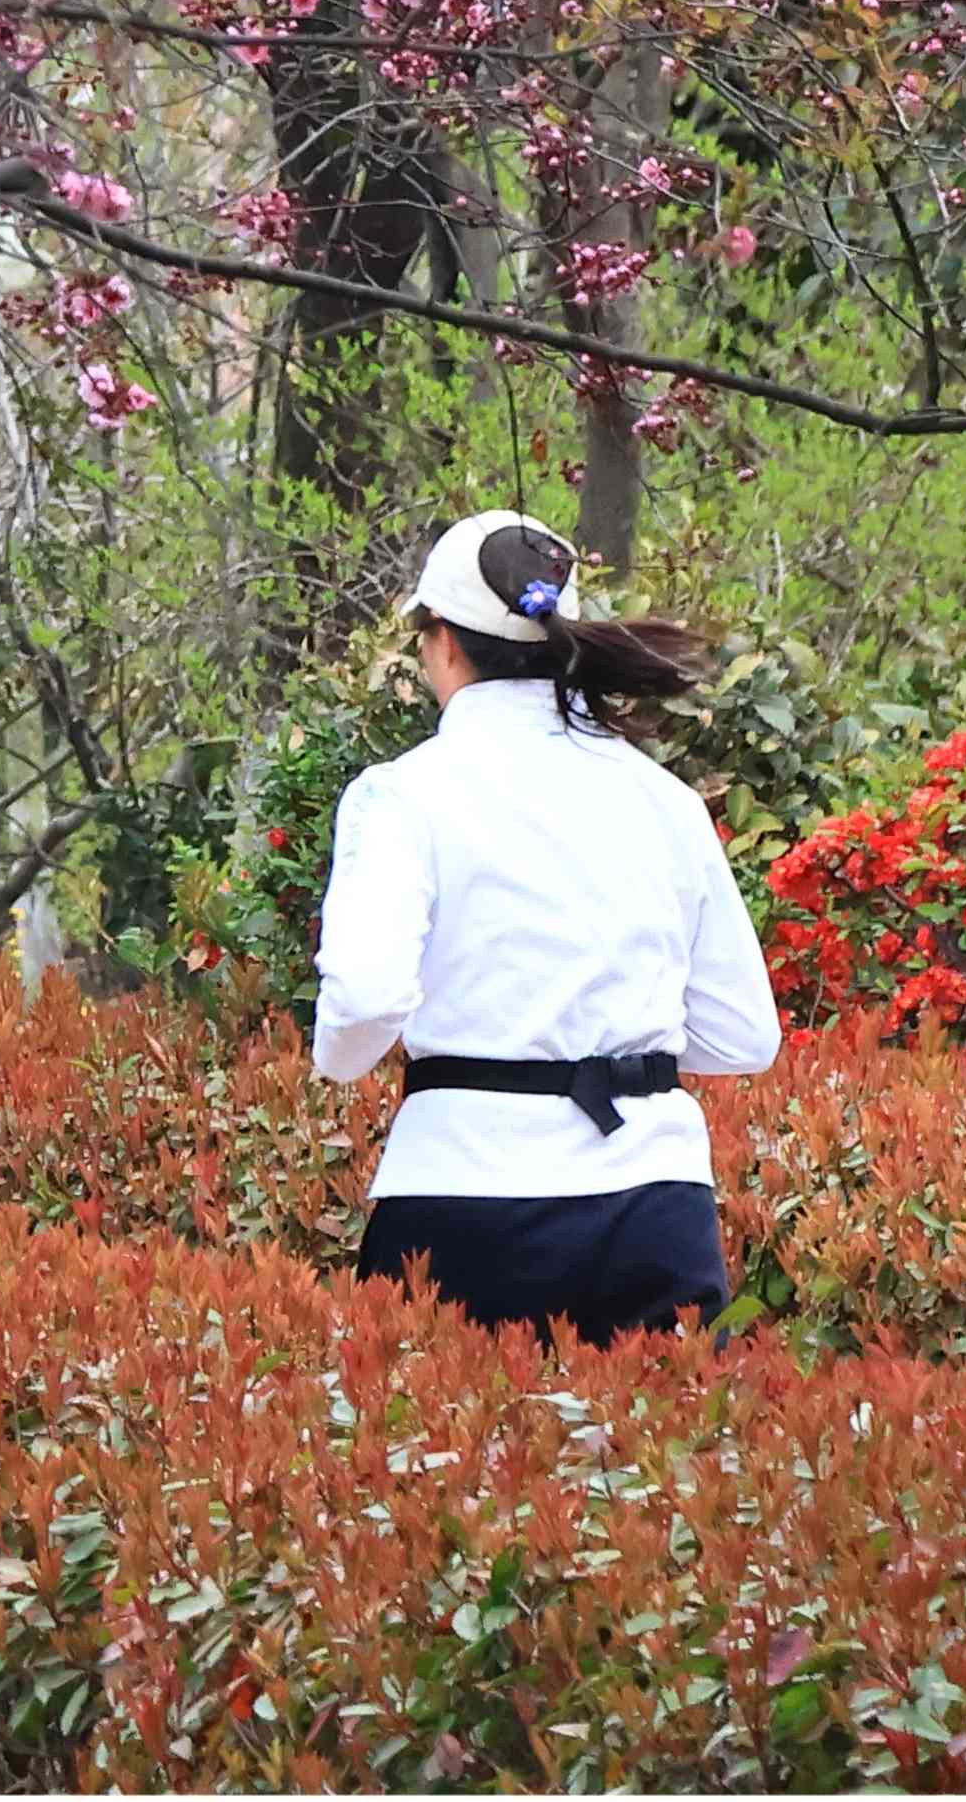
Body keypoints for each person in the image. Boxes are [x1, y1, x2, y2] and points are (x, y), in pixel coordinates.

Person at [310, 507, 783, 1342]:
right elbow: (745, 1036)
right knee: (664, 1465)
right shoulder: (663, 800)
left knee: (443, 1464)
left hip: (459, 1196)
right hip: (653, 1202)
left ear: (443, 642)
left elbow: (365, 1001)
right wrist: (614, 1049)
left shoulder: (402, 795)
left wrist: (340, 1060)